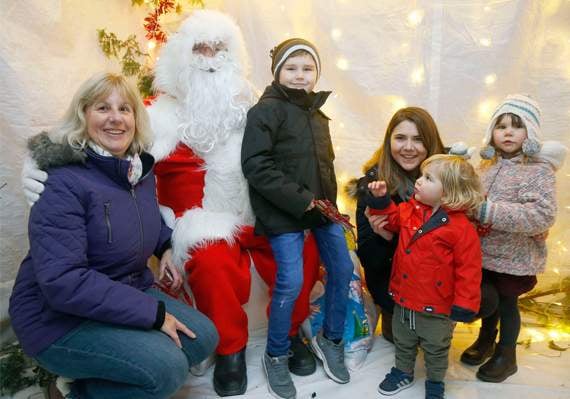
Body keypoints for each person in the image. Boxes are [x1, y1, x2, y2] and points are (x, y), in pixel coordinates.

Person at [21, 10, 320, 397]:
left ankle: (291, 332)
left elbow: (299, 145)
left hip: (256, 215)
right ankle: (231, 350)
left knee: (305, 246)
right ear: (182, 55)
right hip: (199, 221)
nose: (211, 58)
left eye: (220, 49)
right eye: (201, 48)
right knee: (209, 258)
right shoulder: (153, 118)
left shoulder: (255, 107)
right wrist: (38, 162)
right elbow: (84, 143)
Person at [9, 72, 218, 399]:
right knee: (166, 369)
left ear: (136, 118)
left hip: (123, 290)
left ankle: (97, 378)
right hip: (58, 318)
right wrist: (154, 315)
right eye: (102, 108)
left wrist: (164, 245)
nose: (115, 118)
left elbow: (143, 217)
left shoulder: (138, 171)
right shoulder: (62, 181)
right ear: (83, 115)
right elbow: (64, 281)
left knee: (202, 338)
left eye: (125, 109)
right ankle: (74, 393)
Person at [242, 38, 354, 399]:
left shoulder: (317, 113)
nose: (300, 76)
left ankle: (331, 338)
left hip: (322, 209)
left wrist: (327, 205)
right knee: (290, 282)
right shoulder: (265, 111)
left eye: (307, 69)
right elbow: (256, 166)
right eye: (291, 68)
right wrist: (301, 200)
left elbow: (324, 165)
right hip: (284, 210)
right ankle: (276, 354)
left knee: (343, 270)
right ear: (277, 72)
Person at [460, 94, 567, 382]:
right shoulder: (486, 167)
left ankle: (506, 355)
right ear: (491, 134)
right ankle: (485, 340)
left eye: (516, 126)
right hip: (483, 253)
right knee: (489, 301)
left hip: (514, 256)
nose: (508, 132)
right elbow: (472, 202)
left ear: (529, 134)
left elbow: (541, 215)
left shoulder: (538, 170)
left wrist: (487, 211)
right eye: (501, 126)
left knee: (507, 304)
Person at [365, 154, 483, 399]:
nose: (418, 181)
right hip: (404, 296)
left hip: (436, 304)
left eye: (428, 178)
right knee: (403, 339)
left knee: (436, 347)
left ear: (449, 192)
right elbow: (392, 220)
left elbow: (469, 270)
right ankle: (403, 371)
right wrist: (381, 201)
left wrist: (465, 303)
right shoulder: (410, 209)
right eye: (421, 175)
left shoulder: (461, 229)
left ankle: (435, 382)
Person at [349, 107, 445, 343]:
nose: (409, 147)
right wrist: (385, 238)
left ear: (430, 143)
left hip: (437, 284)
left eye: (418, 139)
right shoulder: (373, 188)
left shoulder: (448, 177)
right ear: (389, 140)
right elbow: (369, 262)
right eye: (400, 138)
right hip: (395, 287)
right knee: (403, 340)